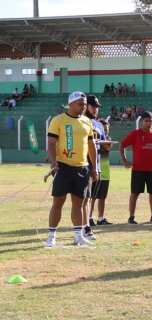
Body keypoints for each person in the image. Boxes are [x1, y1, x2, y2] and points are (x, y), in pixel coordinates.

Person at [44, 91, 98, 247]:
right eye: (81, 104)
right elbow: (51, 143)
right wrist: (54, 162)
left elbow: (91, 145)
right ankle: (52, 236)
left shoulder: (87, 122)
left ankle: (78, 236)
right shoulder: (58, 120)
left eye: (85, 104)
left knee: (79, 203)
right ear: (72, 104)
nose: (83, 107)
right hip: (63, 166)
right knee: (58, 202)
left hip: (82, 167)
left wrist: (94, 167)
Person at [120, 111, 152, 224]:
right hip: (138, 169)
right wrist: (125, 160)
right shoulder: (135, 134)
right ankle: (131, 217)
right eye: (146, 121)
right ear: (142, 122)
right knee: (135, 193)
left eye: (150, 121)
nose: (148, 123)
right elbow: (122, 144)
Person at [82, 95, 106, 240]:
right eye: (93, 106)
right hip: (82, 164)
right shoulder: (81, 122)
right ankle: (83, 227)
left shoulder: (99, 125)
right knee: (83, 198)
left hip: (95, 165)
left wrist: (106, 145)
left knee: (91, 197)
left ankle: (87, 222)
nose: (95, 109)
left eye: (97, 107)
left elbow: (101, 143)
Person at [90, 120, 113, 225]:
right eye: (103, 129)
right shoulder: (94, 139)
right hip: (96, 170)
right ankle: (89, 217)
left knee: (102, 197)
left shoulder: (107, 140)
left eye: (106, 129)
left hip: (105, 172)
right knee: (92, 197)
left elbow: (107, 146)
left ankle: (101, 218)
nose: (105, 131)